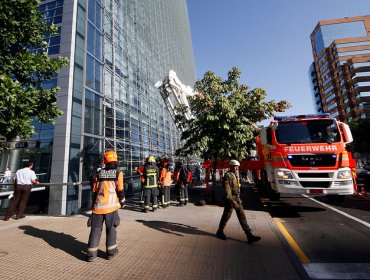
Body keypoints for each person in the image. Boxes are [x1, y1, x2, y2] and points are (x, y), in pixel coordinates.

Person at [87, 150, 125, 262]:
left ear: (105, 160)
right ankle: (111, 253)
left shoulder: (98, 173)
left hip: (98, 207)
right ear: (116, 161)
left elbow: (94, 190)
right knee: (111, 229)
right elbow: (120, 190)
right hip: (111, 208)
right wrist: (122, 202)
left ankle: (91, 255)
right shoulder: (118, 173)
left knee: (95, 230)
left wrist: (93, 204)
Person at [216, 160, 261, 244]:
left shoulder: (235, 174)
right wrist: (232, 201)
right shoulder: (228, 175)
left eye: (237, 166)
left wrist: (237, 199)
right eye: (235, 166)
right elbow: (227, 190)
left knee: (242, 216)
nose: (236, 168)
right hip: (230, 200)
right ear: (231, 167)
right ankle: (219, 231)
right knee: (226, 216)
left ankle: (249, 235)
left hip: (237, 198)